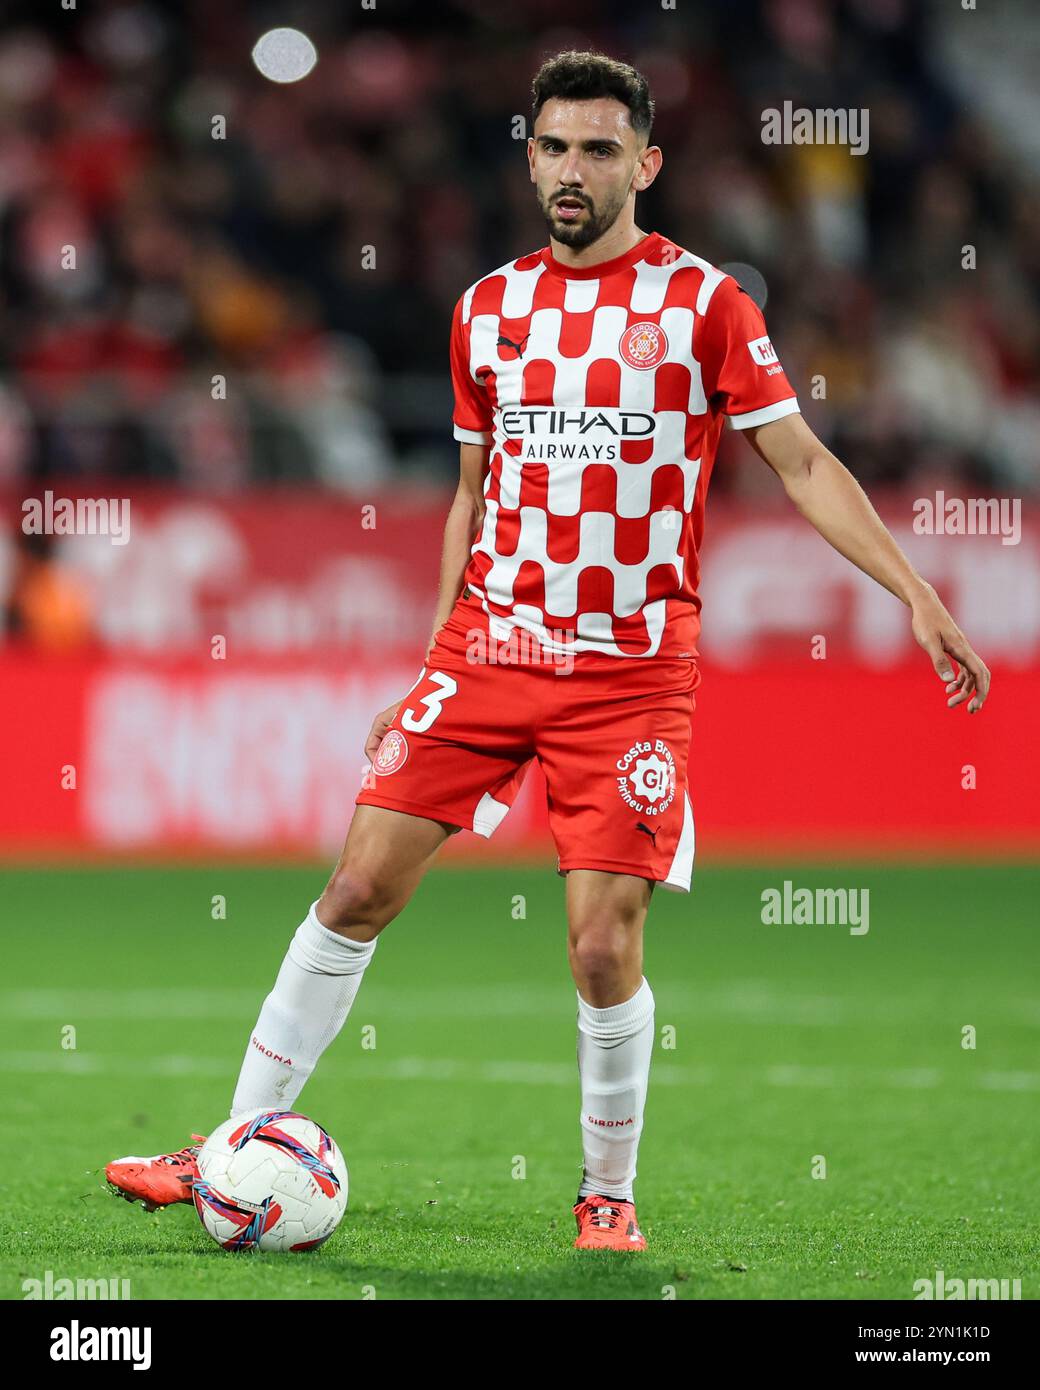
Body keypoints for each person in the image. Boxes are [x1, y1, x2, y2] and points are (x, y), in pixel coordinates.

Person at [106, 50, 990, 1252]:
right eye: (552, 147)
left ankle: (605, 1190)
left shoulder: (704, 305)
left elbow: (800, 462)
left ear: (645, 162)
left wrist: (911, 587)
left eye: (596, 149)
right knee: (356, 886)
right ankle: (231, 1144)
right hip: (487, 649)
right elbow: (471, 497)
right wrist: (432, 664)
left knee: (597, 942)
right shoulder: (487, 307)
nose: (570, 171)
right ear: (527, 155)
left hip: (627, 672)